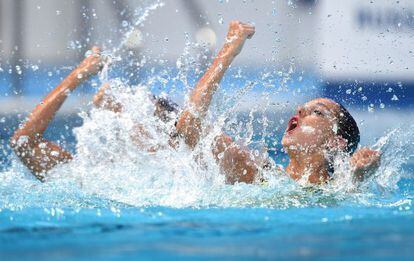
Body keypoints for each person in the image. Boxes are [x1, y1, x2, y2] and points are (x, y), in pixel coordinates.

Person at [10, 21, 380, 184]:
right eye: (301, 108)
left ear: (336, 142)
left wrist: (359, 177)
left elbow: (340, 191)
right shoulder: (258, 171)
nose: (298, 113)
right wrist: (228, 52)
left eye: (316, 112)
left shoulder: (272, 181)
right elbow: (190, 127)